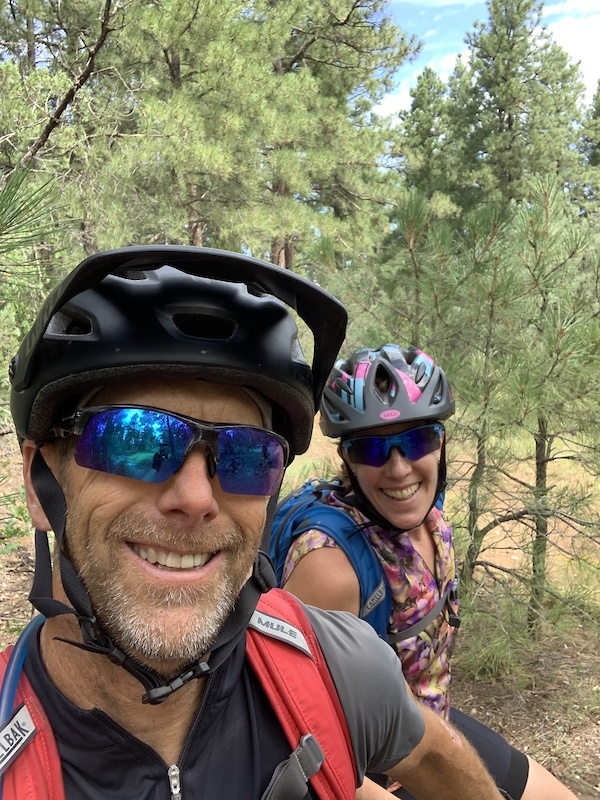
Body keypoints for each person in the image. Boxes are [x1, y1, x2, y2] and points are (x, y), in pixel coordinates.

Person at [0, 246, 506, 800]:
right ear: (40, 482)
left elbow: (433, 753)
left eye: (247, 455)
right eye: (132, 440)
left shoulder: (336, 669)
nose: (196, 498)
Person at [273, 343, 579, 800]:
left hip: (435, 725)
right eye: (372, 449)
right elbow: (303, 732)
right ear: (347, 460)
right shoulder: (331, 567)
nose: (399, 469)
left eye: (417, 441)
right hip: (371, 768)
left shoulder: (427, 517)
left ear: (441, 443)